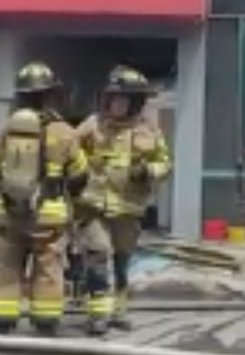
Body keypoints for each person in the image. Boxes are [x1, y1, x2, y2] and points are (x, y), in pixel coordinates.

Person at [0, 62, 88, 336]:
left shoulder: (8, 129)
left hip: (8, 211)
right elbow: (79, 173)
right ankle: (45, 320)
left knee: (6, 264)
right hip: (49, 213)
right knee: (47, 265)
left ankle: (1, 318)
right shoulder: (64, 131)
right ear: (50, 94)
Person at [74, 66, 172, 335]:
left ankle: (118, 311)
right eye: (114, 99)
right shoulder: (92, 125)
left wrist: (148, 171)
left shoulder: (149, 131)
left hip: (128, 209)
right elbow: (69, 150)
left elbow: (164, 164)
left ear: (135, 103)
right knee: (98, 253)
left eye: (124, 100)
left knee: (121, 261)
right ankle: (97, 316)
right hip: (93, 206)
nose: (117, 105)